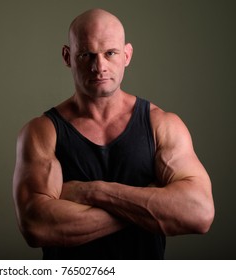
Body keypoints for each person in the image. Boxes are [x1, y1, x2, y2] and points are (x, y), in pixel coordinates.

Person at [12, 8, 215, 259]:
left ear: (127, 55)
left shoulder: (161, 124)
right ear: (68, 57)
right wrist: (151, 205)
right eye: (86, 54)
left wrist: (91, 192)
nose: (99, 67)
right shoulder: (42, 132)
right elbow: (36, 226)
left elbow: (199, 213)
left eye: (110, 53)